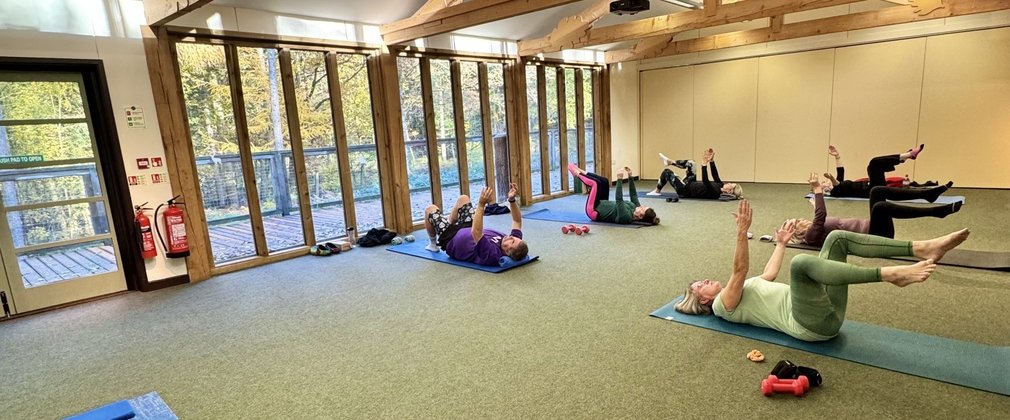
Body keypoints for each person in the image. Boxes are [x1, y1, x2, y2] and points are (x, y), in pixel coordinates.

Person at [674, 199, 969, 341]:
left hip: (824, 308)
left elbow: (768, 275)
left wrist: (781, 243)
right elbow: (740, 269)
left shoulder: (736, 294)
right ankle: (891, 275)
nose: (705, 280)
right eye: (700, 284)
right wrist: (741, 233)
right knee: (802, 265)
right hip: (810, 325)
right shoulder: (722, 305)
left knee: (836, 238)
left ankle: (920, 248)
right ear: (702, 300)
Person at [789, 173, 960, 246]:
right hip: (874, 237)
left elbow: (819, 217)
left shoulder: (814, 231)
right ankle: (936, 212)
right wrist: (817, 190)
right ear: (796, 233)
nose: (801, 220)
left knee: (876, 191)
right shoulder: (810, 237)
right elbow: (821, 216)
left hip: (874, 227)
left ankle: (927, 194)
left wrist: (815, 203)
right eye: (797, 222)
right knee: (880, 207)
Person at [423, 183, 529, 266]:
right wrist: (511, 200)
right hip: (469, 227)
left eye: (512, 241)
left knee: (430, 209)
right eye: (514, 238)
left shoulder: (492, 254)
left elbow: (476, 233)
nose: (511, 237)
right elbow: (517, 221)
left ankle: (433, 244)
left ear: (507, 252)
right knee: (463, 198)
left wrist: (481, 204)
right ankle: (449, 224)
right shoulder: (513, 242)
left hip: (451, 239)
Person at [567, 163, 659, 225]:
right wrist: (630, 177)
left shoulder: (626, 217)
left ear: (640, 216)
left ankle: (577, 174)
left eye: (643, 208)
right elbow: (633, 195)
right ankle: (580, 170)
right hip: (602, 202)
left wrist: (619, 179)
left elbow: (619, 199)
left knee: (595, 184)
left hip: (594, 210)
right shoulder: (635, 208)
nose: (641, 206)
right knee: (604, 181)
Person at [822, 144, 927, 198]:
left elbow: (841, 170)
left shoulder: (839, 184)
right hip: (872, 190)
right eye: (824, 183)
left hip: (872, 185)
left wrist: (837, 156)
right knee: (874, 163)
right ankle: (907, 155)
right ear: (826, 188)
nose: (826, 182)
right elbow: (836, 185)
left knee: (872, 165)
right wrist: (830, 178)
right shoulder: (835, 192)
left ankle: (905, 157)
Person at [646, 148, 743, 200]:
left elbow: (706, 181)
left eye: (730, 185)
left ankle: (657, 191)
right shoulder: (721, 185)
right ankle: (669, 162)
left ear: (729, 192)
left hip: (684, 190)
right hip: (690, 183)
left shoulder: (716, 193)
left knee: (667, 173)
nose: (729, 183)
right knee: (692, 163)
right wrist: (712, 161)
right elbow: (715, 175)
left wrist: (704, 165)